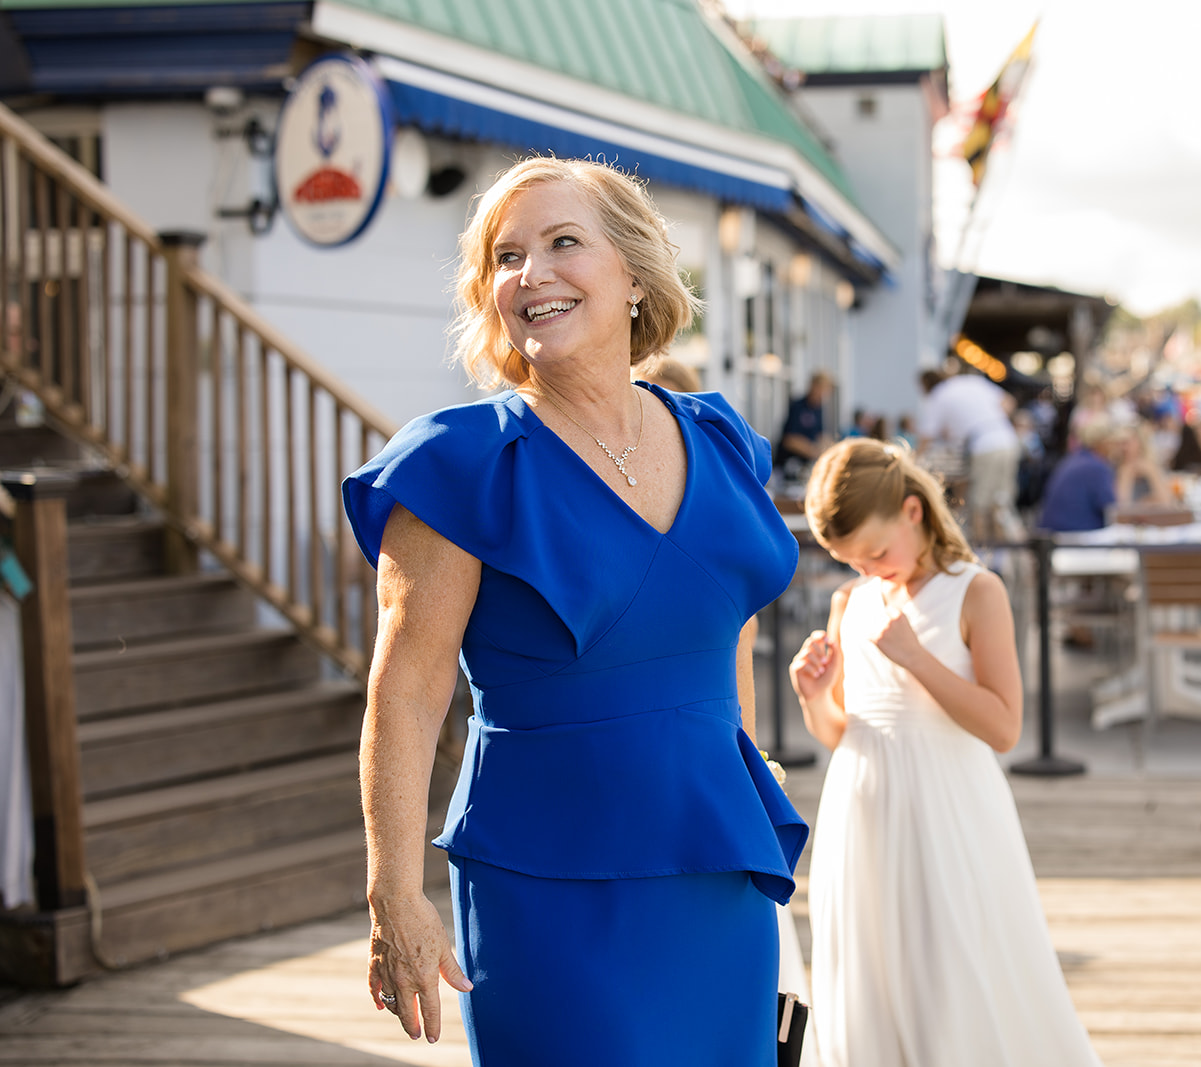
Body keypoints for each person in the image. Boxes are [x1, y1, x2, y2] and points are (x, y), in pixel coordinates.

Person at [342, 156, 807, 1063]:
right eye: (506, 258)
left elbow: (728, 625)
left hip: (717, 864)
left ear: (633, 273)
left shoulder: (719, 439)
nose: (532, 275)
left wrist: (745, 755)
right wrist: (394, 893)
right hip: (546, 879)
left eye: (563, 243)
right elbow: (405, 692)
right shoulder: (462, 465)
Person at [788, 438, 1103, 1067]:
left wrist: (916, 660)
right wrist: (814, 695)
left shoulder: (976, 591)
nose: (869, 571)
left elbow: (1004, 726)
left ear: (913, 512)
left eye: (876, 553)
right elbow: (840, 730)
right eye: (851, 562)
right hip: (861, 808)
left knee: (950, 966)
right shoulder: (852, 601)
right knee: (869, 968)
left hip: (947, 807)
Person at [917, 367, 1023, 543]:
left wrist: (913, 461)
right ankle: (1010, 555)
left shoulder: (939, 396)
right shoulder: (972, 382)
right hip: (1007, 440)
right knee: (1002, 504)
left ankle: (985, 556)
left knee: (981, 506)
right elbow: (1008, 402)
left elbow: (926, 437)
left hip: (983, 446)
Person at [1037, 415, 1121, 533]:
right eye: (1113, 443)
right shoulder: (1096, 467)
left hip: (1056, 533)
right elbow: (1114, 510)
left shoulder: (1074, 459)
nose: (1115, 448)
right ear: (1101, 443)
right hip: (1075, 536)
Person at [775, 370, 834, 479]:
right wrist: (814, 451)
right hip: (787, 465)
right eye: (821, 390)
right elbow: (790, 440)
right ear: (813, 386)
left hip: (804, 466)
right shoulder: (798, 406)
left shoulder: (819, 409)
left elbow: (821, 435)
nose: (823, 395)